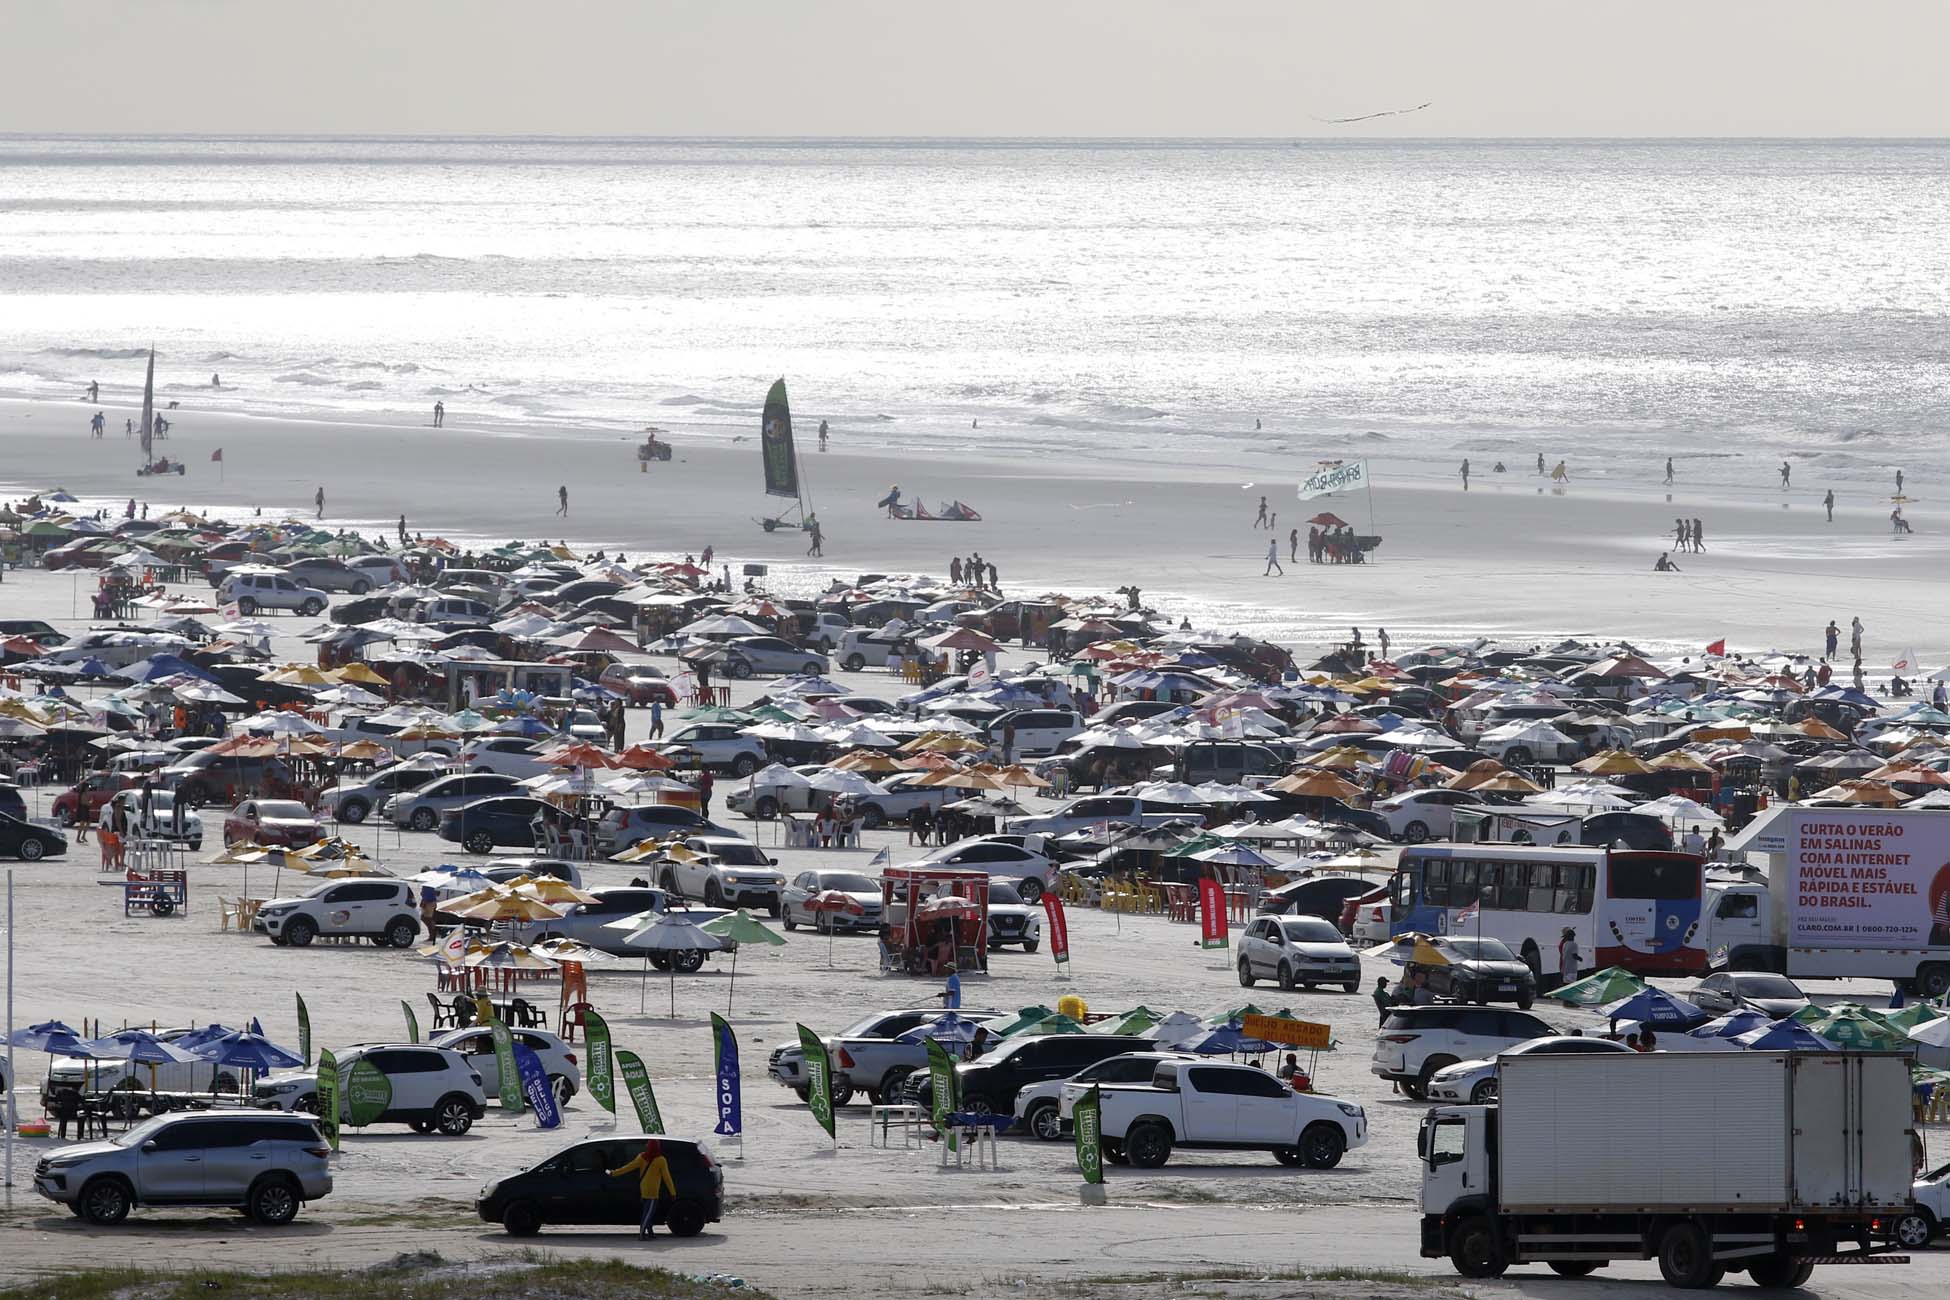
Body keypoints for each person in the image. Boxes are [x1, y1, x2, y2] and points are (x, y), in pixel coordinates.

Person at [606, 1139, 676, 1238]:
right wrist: (672, 1192)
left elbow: (628, 1167)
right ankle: (642, 1233)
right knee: (648, 1213)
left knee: (647, 1211)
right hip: (652, 1191)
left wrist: (614, 1173)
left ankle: (650, 1233)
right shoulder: (661, 1160)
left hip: (643, 1188)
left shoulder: (642, 1157)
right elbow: (667, 1177)